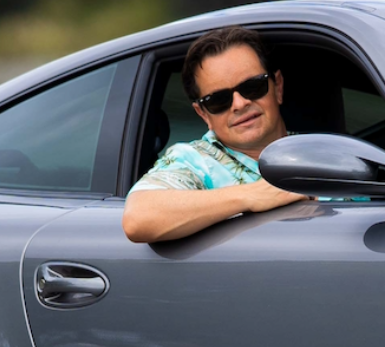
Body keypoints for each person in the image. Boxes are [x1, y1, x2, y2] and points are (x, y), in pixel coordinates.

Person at [122, 25, 304, 243]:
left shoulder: (322, 148)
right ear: (203, 114)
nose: (239, 104)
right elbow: (138, 217)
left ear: (278, 87)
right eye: (219, 100)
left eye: (252, 87)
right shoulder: (193, 160)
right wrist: (251, 195)